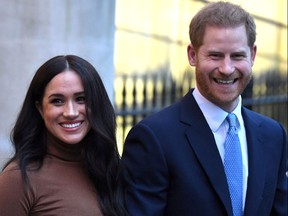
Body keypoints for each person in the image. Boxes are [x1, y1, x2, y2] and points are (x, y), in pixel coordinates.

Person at [121, 2, 287, 216]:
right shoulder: (154, 138)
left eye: (237, 56)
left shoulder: (273, 135)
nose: (227, 69)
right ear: (192, 55)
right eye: (215, 55)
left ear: (252, 55)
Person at [0, 55, 128, 216]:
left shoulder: (110, 170)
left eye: (81, 99)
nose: (71, 112)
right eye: (57, 101)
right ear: (40, 109)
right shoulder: (18, 179)